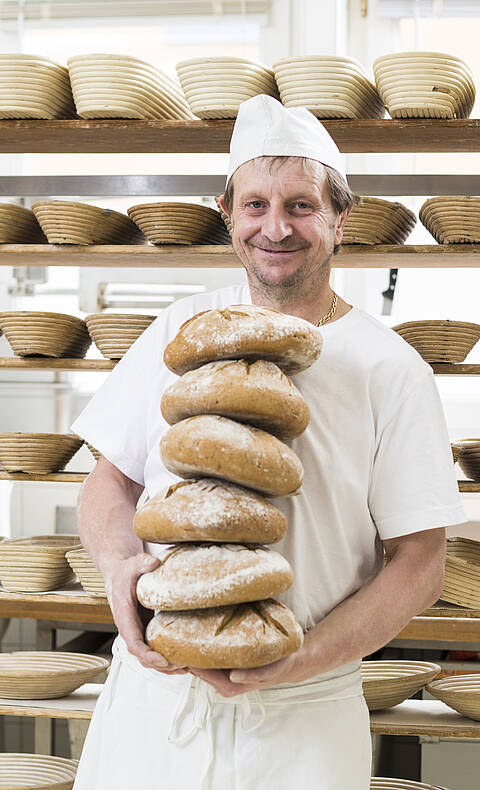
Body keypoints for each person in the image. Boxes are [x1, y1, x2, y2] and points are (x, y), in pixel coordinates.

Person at [71, 94, 466, 790]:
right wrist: (118, 565)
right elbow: (110, 482)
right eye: (255, 205)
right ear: (228, 215)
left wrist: (300, 659)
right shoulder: (179, 330)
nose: (275, 227)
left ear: (341, 219)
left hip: (301, 721)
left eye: (301, 206)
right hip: (157, 711)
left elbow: (420, 563)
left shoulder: (389, 369)